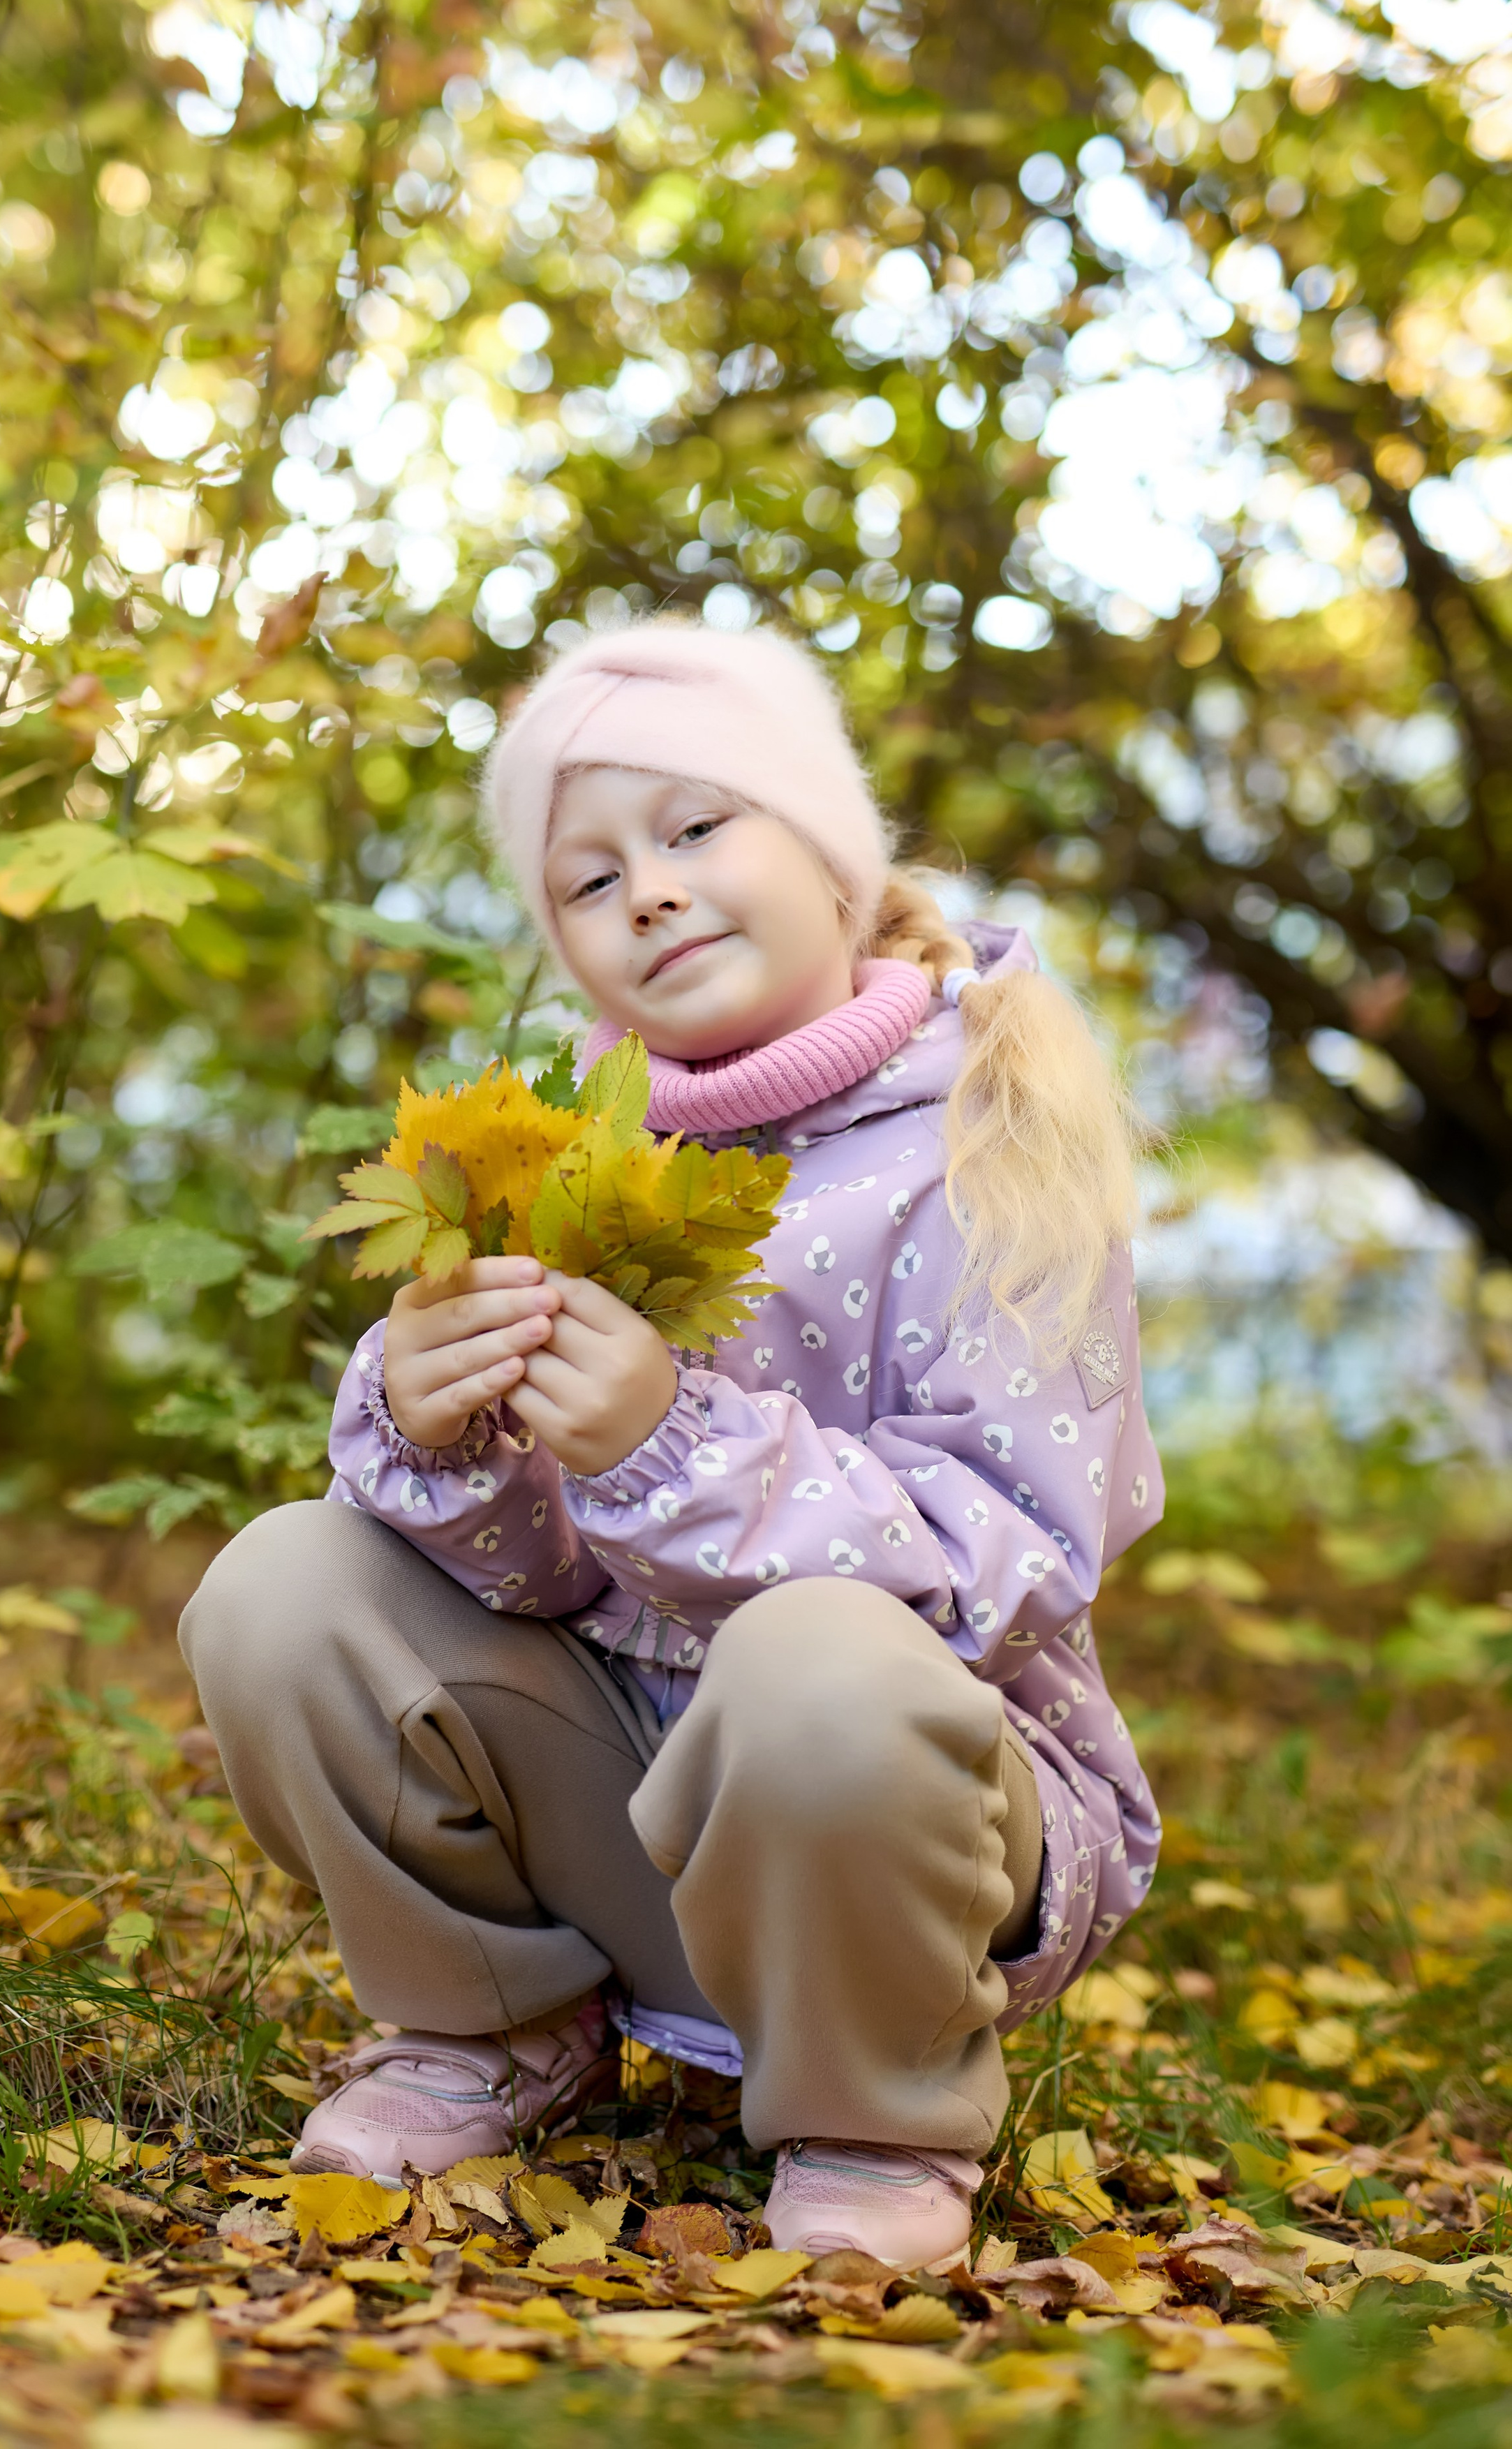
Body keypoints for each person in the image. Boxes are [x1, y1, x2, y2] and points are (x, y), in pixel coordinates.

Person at [180, 620, 1162, 2270]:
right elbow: (538, 1584)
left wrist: (670, 1443)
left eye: (696, 827)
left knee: (813, 1659)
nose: (646, 890)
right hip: (623, 1820)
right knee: (287, 1581)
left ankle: (874, 2110)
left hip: (899, 1851)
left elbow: (1017, 1561)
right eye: (587, 879)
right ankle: (492, 2020)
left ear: (832, 856)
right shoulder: (559, 1159)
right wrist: (444, 1434)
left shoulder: (988, 1145)